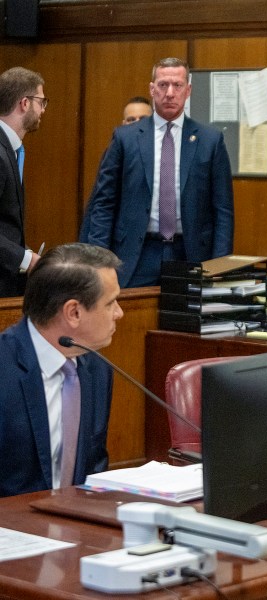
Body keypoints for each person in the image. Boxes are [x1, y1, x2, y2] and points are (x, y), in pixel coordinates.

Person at [85, 57, 234, 288]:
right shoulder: (125, 139)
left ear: (188, 90)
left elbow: (223, 210)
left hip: (190, 254)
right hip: (135, 255)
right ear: (152, 89)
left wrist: (220, 265)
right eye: (163, 85)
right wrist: (97, 262)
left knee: (185, 323)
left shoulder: (210, 140)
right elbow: (104, 204)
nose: (170, 93)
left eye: (178, 85)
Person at [0, 243, 123, 497]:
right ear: (73, 312)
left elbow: (94, 467)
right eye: (110, 303)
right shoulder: (5, 368)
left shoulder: (97, 369)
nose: (119, 313)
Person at [79, 95, 155, 244]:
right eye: (131, 120)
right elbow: (100, 202)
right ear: (123, 124)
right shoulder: (114, 154)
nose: (136, 125)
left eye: (143, 119)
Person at [0, 67, 46, 297]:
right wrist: (27, 259)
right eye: (41, 101)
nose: (43, 110)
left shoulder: (11, 149)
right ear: (24, 103)